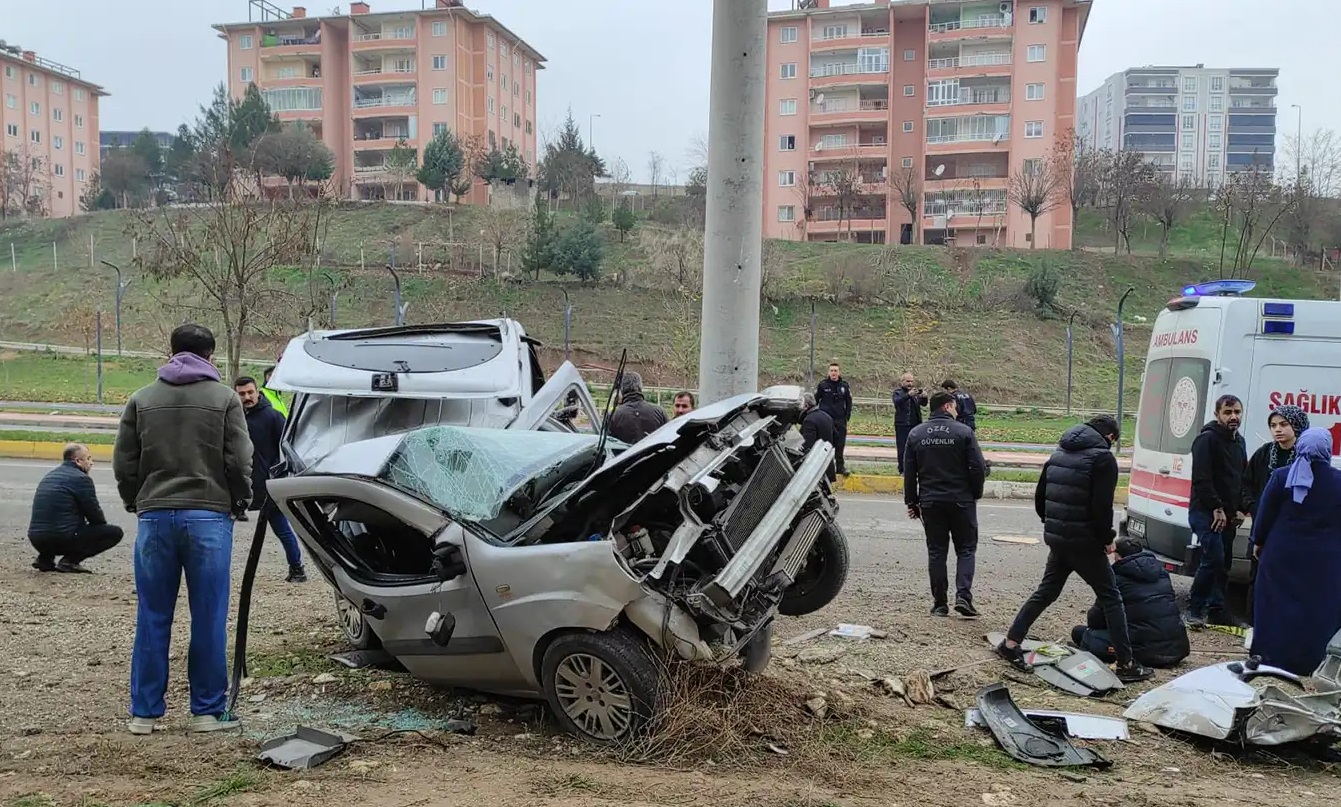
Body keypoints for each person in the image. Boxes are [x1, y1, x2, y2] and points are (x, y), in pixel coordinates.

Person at [113, 323, 253, 736]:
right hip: (209, 518)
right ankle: (206, 713)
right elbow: (240, 460)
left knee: (153, 614)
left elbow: (124, 463)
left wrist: (135, 501)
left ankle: (144, 714)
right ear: (211, 355)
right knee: (208, 616)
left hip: (155, 518)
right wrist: (239, 500)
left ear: (170, 352)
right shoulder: (225, 398)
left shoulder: (142, 399)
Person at [996, 415, 1155, 683]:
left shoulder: (1059, 452)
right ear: (1111, 437)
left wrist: (1056, 525)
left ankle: (1010, 644)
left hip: (1060, 539)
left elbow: (1040, 499)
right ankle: (1126, 663)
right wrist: (1107, 538)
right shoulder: (1103, 459)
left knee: (1046, 592)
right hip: (1086, 543)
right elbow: (1101, 507)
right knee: (1111, 598)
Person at [1250, 428, 1341, 676]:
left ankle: (1270, 657)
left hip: (1282, 554)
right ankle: (1314, 660)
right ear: (1327, 449)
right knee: (1318, 608)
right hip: (1326, 558)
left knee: (1275, 605)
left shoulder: (1282, 476)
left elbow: (1264, 514)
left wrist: (1258, 542)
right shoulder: (1339, 480)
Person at [904, 391, 986, 618]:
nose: (958, 411)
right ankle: (963, 596)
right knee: (966, 549)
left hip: (931, 501)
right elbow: (977, 467)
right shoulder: (964, 432)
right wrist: (975, 493)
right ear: (948, 407)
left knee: (937, 552)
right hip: (961, 500)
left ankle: (940, 603)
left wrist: (912, 501)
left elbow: (910, 473)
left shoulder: (916, 434)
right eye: (956, 407)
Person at [1070, 538, 1189, 669]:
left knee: (1081, 633)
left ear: (1118, 557)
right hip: (1178, 649)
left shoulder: (1115, 579)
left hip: (1145, 653)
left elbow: (1095, 620)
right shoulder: (1162, 573)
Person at [1239, 404, 1308, 624]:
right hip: (1264, 526)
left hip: (1292, 528)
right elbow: (1246, 484)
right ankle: (1254, 622)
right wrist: (1253, 506)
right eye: (1273, 425)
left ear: (1296, 426)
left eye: (1283, 424)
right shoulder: (1264, 453)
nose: (1277, 430)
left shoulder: (1305, 456)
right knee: (1258, 577)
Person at [234, 376, 307, 583]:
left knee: (281, 529)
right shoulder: (234, 418)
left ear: (257, 392)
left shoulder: (273, 417)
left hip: (267, 484)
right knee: (222, 527)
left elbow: (287, 448)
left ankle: (297, 569)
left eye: (250, 392)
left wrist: (275, 474)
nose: (247, 397)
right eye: (242, 394)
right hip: (240, 485)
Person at [1185, 395, 1248, 629]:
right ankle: (1194, 609)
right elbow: (1202, 478)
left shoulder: (1239, 442)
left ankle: (1217, 610)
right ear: (1217, 414)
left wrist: (1240, 509)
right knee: (1213, 558)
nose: (1233, 417)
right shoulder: (1207, 440)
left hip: (1229, 515)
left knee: (1225, 563)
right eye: (1228, 412)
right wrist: (1216, 508)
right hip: (1205, 512)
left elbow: (1242, 477)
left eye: (1237, 412)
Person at [26, 443, 124, 573]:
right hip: (62, 539)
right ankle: (70, 561)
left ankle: (45, 559)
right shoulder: (81, 479)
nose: (91, 463)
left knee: (57, 523)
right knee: (114, 532)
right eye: (88, 459)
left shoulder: (50, 475)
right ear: (78, 461)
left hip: (36, 539)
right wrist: (99, 530)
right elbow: (95, 515)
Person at [607, 371, 667, 444]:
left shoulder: (613, 415)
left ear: (621, 389)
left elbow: (607, 444)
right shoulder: (660, 412)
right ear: (641, 387)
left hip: (625, 455)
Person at [815, 363, 853, 476]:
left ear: (839, 372)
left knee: (840, 444)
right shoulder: (823, 385)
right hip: (826, 420)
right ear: (828, 372)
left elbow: (849, 401)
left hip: (840, 420)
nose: (833, 373)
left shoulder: (844, 386)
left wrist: (847, 415)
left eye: (835, 370)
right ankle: (826, 468)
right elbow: (816, 400)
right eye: (831, 370)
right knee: (826, 444)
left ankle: (840, 467)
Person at [893, 372, 927, 474]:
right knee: (902, 448)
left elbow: (923, 404)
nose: (910, 383)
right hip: (903, 424)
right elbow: (897, 402)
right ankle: (902, 469)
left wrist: (924, 397)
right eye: (907, 381)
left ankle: (915, 469)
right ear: (902, 381)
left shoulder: (914, 393)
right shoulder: (898, 392)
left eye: (911, 381)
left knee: (916, 447)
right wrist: (908, 395)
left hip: (915, 424)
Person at [798, 392, 836, 482]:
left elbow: (807, 444)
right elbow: (835, 437)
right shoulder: (826, 416)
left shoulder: (809, 420)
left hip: (815, 467)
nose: (799, 408)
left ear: (806, 406)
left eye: (800, 405)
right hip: (827, 463)